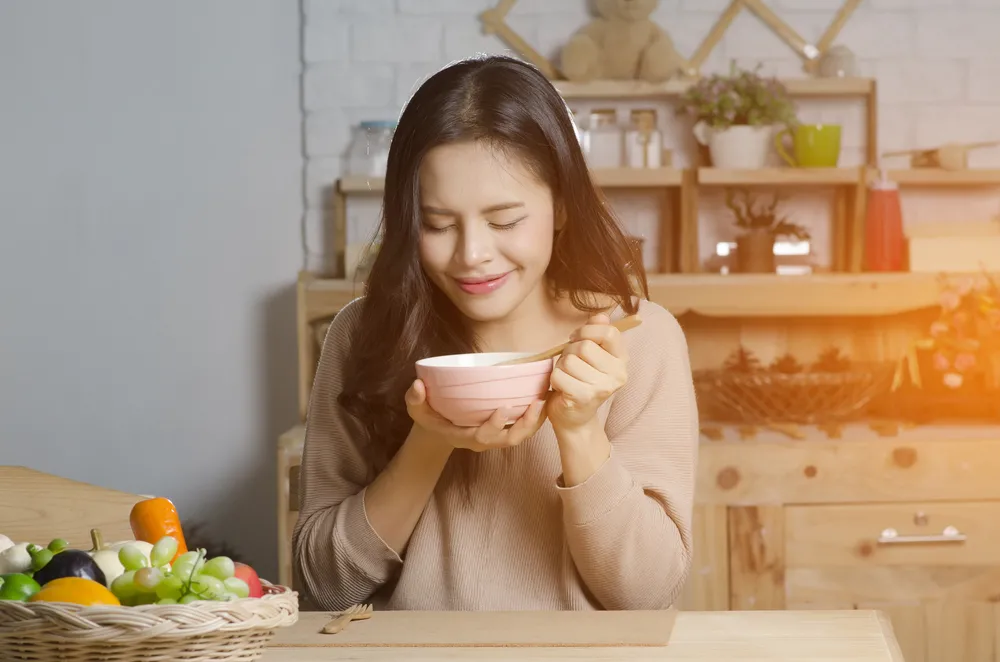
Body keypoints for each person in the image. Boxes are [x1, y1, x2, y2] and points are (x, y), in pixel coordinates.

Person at [292, 55, 698, 613]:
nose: (472, 255)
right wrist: (430, 439)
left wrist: (579, 432)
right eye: (436, 224)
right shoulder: (362, 335)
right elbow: (320, 588)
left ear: (559, 205)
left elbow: (647, 595)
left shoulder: (641, 339)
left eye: (505, 221)